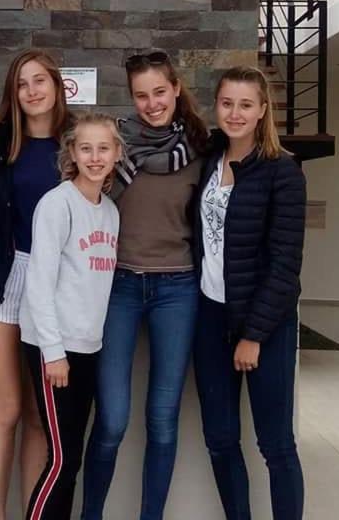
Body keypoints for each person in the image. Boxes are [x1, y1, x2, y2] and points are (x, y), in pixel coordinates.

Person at [82, 50, 209, 520]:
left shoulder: (200, 149)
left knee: (162, 420)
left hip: (177, 288)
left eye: (159, 92)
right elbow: (80, 201)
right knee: (112, 420)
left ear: (175, 88)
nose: (152, 104)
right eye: (141, 95)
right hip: (118, 286)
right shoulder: (113, 146)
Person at [0, 49, 72, 520]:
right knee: (6, 407)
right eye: (22, 84)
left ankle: (33, 513)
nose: (31, 91)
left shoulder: (76, 145)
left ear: (57, 86)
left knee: (37, 415)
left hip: (57, 286)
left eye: (39, 80)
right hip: (5, 279)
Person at [193, 66, 306, 520]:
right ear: (216, 106)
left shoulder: (283, 171)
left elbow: (285, 265)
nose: (235, 113)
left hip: (266, 324)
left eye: (245, 104)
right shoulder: (208, 158)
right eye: (227, 103)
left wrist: (253, 335)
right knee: (220, 439)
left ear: (262, 110)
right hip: (210, 316)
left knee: (276, 444)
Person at [21, 112, 122, 520]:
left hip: (88, 348)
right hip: (55, 350)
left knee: (71, 460)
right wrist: (53, 352)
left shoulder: (110, 211)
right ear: (72, 154)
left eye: (103, 148)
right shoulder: (57, 204)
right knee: (61, 461)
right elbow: (39, 283)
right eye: (86, 148)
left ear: (117, 154)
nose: (95, 157)